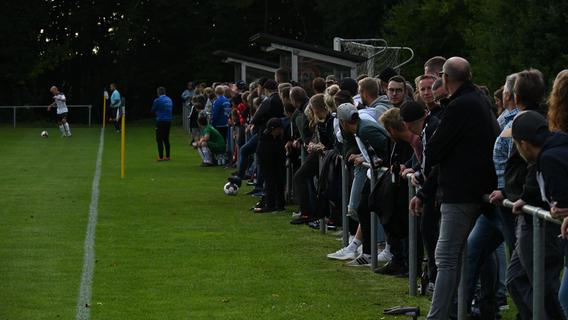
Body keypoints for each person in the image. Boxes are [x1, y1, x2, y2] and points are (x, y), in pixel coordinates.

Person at [410, 57, 499, 320]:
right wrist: (426, 191)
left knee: (446, 257)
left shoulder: (460, 106)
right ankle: (472, 308)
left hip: (461, 192)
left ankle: (439, 316)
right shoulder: (480, 102)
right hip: (478, 188)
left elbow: (434, 152)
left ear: (446, 79)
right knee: (477, 252)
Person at [511, 110, 567, 320]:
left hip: (552, 233)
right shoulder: (557, 147)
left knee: (548, 291)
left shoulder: (549, 158)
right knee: (517, 279)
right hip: (549, 227)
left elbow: (561, 202)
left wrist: (556, 207)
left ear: (524, 144)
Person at [336, 103, 389, 267]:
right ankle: (367, 251)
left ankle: (374, 250)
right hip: (373, 172)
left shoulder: (365, 129)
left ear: (343, 123)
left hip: (380, 173)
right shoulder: (360, 129)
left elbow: (386, 147)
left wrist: (378, 162)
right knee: (363, 208)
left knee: (367, 209)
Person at [254, 118, 286, 213]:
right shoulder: (265, 140)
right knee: (270, 183)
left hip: (276, 163)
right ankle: (271, 204)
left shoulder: (274, 139)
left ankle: (278, 204)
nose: (280, 131)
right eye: (279, 129)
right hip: (268, 164)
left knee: (278, 183)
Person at [151, 87, 173, 161]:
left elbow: (153, 110)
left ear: (158, 93)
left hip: (161, 121)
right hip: (169, 121)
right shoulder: (169, 99)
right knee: (166, 138)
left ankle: (160, 157)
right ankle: (168, 156)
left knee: (159, 139)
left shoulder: (157, 100)